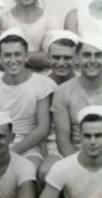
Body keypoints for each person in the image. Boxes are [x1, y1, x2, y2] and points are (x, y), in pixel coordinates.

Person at [0, 28, 57, 170]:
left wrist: (12, 152)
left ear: (27, 56)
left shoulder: (43, 84)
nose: (13, 60)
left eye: (18, 54)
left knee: (29, 169)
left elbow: (42, 128)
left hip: (30, 147)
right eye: (7, 55)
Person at [37, 30, 79, 190]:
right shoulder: (41, 85)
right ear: (48, 57)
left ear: (76, 58)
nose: (61, 63)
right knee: (46, 172)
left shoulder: (81, 84)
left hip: (78, 143)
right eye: (56, 57)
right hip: (49, 146)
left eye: (67, 57)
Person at [51, 31, 102, 158]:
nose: (92, 61)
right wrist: (78, 168)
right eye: (86, 55)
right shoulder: (62, 92)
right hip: (75, 155)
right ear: (76, 58)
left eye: (98, 55)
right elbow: (63, 139)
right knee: (45, 172)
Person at [0, 0, 60, 72]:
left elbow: (53, 59)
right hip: (11, 79)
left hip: (43, 79)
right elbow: (0, 59)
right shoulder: (4, 19)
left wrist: (14, 55)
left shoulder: (50, 19)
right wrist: (38, 57)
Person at [40, 105, 102, 198]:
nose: (92, 142)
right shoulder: (63, 167)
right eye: (87, 136)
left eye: (98, 136)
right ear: (80, 137)